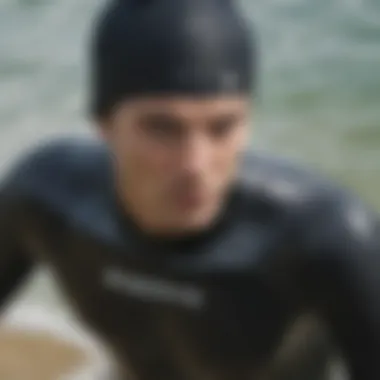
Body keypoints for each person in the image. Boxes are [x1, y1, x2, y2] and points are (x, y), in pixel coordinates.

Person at [0, 0, 379, 379]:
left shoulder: (324, 237)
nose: (194, 165)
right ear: (104, 124)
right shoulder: (46, 200)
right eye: (162, 129)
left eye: (222, 126)